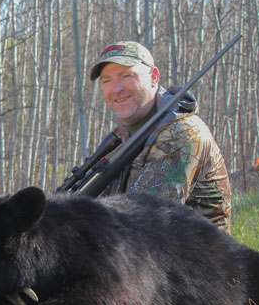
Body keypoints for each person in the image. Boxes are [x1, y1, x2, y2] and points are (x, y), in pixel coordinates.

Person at [89, 41, 232, 233]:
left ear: (154, 77)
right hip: (141, 256)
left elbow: (141, 222)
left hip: (191, 258)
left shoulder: (183, 134)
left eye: (127, 76)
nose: (116, 89)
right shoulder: (121, 137)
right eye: (107, 80)